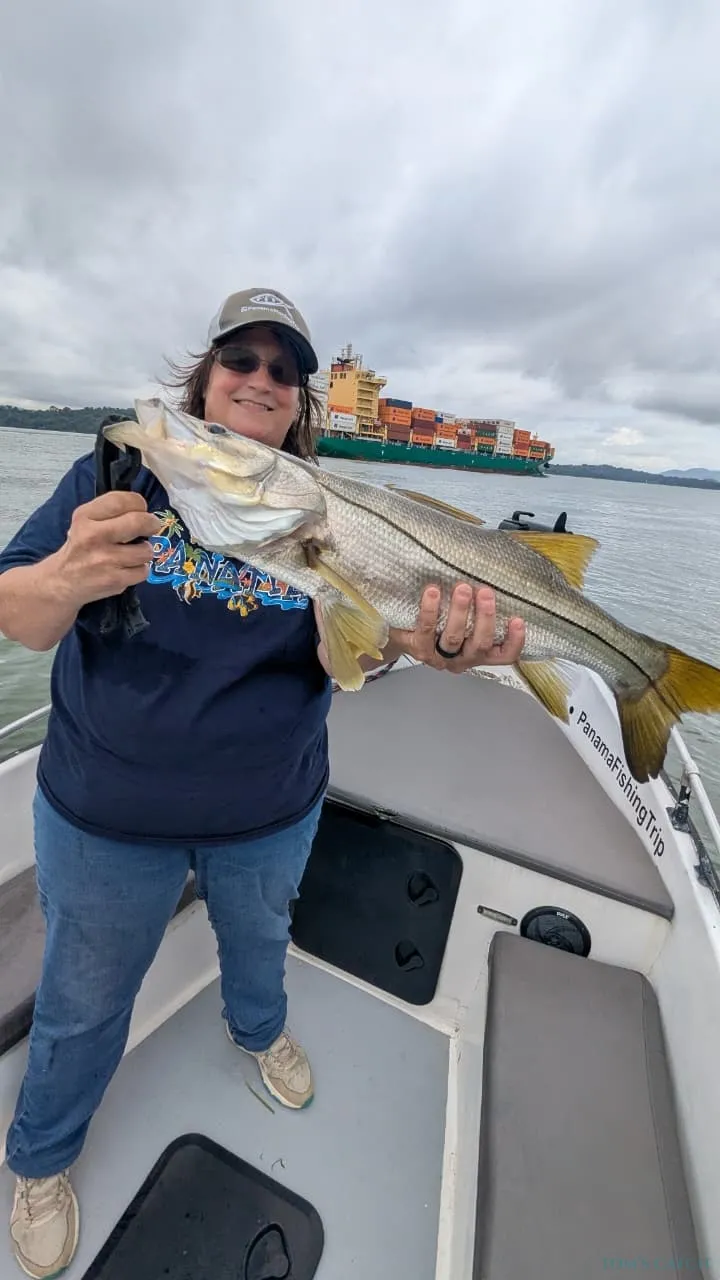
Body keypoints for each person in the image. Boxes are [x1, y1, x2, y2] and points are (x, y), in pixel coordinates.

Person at [0, 287, 526, 1277]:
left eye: (284, 371)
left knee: (260, 944)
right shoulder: (115, 474)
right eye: (239, 359)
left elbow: (346, 658)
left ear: (299, 407)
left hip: (267, 812)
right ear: (203, 382)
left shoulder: (325, 515)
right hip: (106, 817)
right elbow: (19, 616)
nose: (260, 379)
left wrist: (413, 641)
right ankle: (41, 1155)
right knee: (83, 1000)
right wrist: (65, 575)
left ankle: (259, 1032)